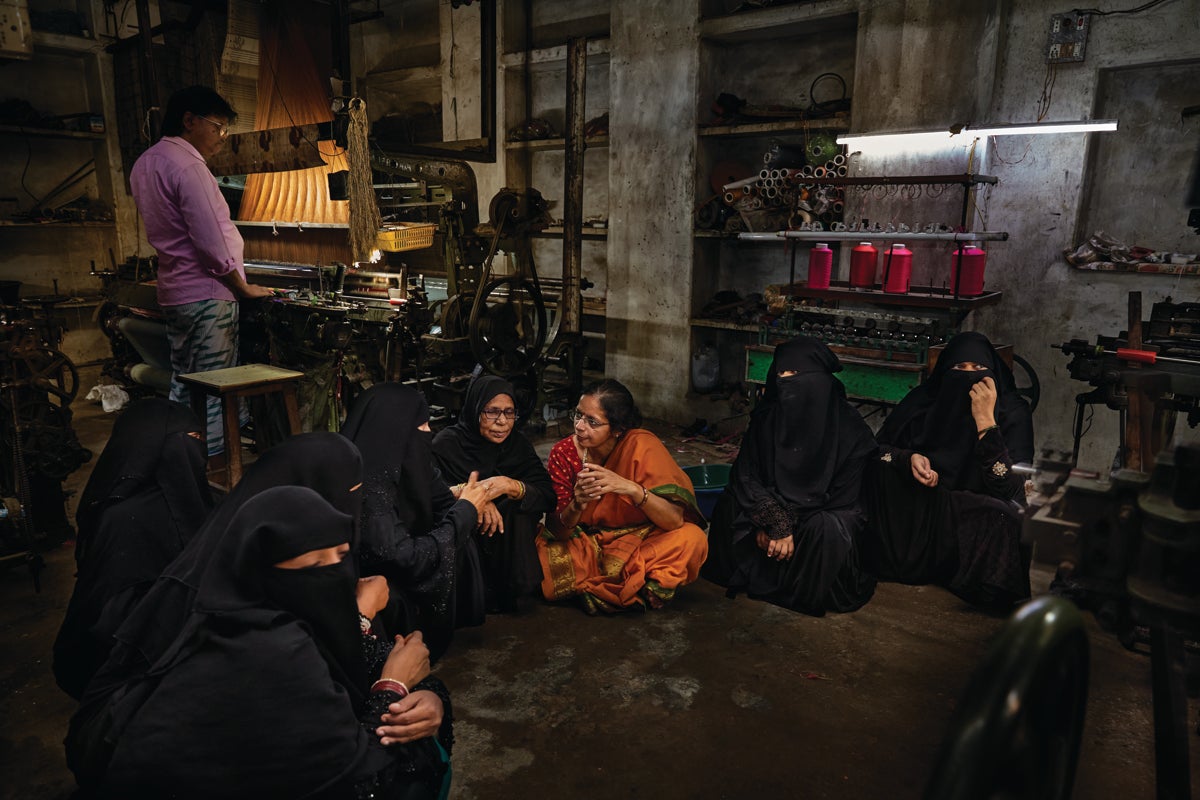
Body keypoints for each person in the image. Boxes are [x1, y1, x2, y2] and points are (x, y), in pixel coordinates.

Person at [66, 485, 453, 800]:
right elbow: (355, 782)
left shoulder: (236, 616)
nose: (336, 576)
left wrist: (421, 693)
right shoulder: (267, 648)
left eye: (340, 556)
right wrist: (393, 687)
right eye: (315, 565)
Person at [129, 85, 273, 458]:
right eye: (218, 127)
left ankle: (177, 458)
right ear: (189, 120)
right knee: (216, 390)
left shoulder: (146, 162)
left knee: (184, 381)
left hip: (176, 292)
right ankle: (213, 473)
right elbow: (211, 243)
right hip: (209, 295)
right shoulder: (190, 167)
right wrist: (242, 287)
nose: (222, 138)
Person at [701, 337, 877, 615]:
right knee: (731, 503)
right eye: (780, 374)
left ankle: (797, 583)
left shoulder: (852, 431)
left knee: (828, 529)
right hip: (773, 511)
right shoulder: (766, 419)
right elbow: (746, 476)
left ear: (821, 379)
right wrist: (771, 519)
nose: (786, 383)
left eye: (795, 375)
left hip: (820, 513)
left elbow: (845, 498)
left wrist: (785, 524)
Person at [53, 399, 212, 700]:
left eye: (200, 440)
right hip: (133, 666)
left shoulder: (189, 495)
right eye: (191, 441)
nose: (200, 450)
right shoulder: (122, 521)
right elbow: (111, 620)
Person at [863, 331, 1035, 606]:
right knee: (876, 473)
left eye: (979, 369)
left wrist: (986, 423)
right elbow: (876, 452)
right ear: (945, 371)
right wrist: (907, 459)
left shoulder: (1012, 412)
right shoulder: (923, 401)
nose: (969, 376)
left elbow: (1013, 489)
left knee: (1008, 516)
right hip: (925, 503)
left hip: (974, 510)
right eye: (959, 368)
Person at [341, 383, 499, 660]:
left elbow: (440, 497)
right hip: (377, 586)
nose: (429, 432)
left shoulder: (411, 461)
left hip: (407, 555)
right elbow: (400, 557)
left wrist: (471, 501)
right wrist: (465, 510)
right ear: (393, 430)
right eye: (422, 425)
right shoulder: (367, 489)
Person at [538, 379, 708, 613]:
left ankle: (619, 583)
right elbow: (558, 531)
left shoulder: (642, 445)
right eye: (577, 415)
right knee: (539, 554)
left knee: (692, 538)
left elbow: (674, 520)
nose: (579, 426)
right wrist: (577, 505)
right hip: (589, 543)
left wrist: (632, 489)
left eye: (592, 422)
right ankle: (632, 585)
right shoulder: (564, 453)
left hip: (639, 537)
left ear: (618, 429)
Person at [433, 375, 555, 613]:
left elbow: (548, 496)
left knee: (517, 509)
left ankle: (516, 590)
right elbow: (432, 495)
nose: (502, 422)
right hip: (466, 538)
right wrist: (476, 500)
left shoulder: (516, 445)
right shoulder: (446, 445)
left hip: (508, 539)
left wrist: (510, 486)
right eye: (492, 412)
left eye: (509, 413)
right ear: (475, 409)